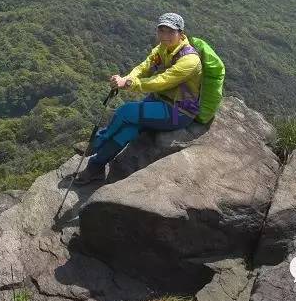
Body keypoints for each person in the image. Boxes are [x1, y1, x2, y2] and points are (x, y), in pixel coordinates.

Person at [73, 12, 202, 185]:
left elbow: (161, 81)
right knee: (129, 129)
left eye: (170, 32)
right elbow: (145, 67)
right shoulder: (163, 49)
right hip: (159, 102)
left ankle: (96, 143)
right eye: (161, 30)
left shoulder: (190, 60)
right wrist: (127, 79)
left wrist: (129, 84)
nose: (165, 36)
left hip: (179, 111)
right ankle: (95, 168)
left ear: (181, 33)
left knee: (126, 112)